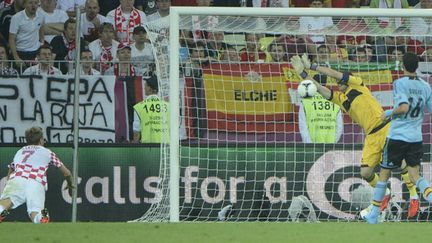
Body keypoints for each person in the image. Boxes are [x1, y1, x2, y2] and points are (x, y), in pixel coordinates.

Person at [290, 54, 420, 217]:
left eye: (342, 79)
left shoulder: (357, 84)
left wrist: (313, 66)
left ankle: (414, 196)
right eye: (338, 82)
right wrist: (302, 74)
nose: (339, 82)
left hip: (385, 127)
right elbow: (319, 88)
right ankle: (385, 193)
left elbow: (335, 74)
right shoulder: (341, 99)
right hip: (371, 137)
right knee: (365, 173)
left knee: (399, 162)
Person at [364, 52, 432, 224]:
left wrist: (388, 113)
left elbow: (403, 107)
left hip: (397, 137)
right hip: (415, 138)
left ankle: (373, 214)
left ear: (402, 66)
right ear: (417, 66)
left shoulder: (399, 83)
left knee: (384, 174)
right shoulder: (426, 86)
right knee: (416, 176)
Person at [0, 126, 74, 223]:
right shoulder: (47, 152)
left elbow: (11, 168)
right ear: (40, 140)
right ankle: (43, 216)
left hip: (17, 179)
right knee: (34, 212)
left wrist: (9, 179)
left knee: (6, 203)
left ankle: (2, 212)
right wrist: (69, 183)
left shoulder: (20, 151)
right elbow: (66, 173)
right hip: (36, 181)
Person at [298, 74, 343, 143]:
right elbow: (339, 126)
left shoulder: (306, 101)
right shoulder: (334, 100)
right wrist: (333, 142)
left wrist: (309, 144)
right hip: (330, 145)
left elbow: (303, 126)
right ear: (325, 83)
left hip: (312, 145)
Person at [132, 75, 170, 143]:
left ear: (150, 88)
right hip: (165, 148)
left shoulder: (139, 107)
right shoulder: (168, 106)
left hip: (147, 148)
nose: (144, 87)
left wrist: (134, 147)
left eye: (146, 85)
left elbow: (136, 133)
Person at [9, 0, 45, 69]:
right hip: (20, 52)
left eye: (36, 3)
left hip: (35, 52)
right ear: (24, 4)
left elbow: (41, 30)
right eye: (30, 2)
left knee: (35, 77)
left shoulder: (41, 16)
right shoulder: (16, 18)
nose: (33, 5)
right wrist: (16, 58)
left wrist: (42, 43)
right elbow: (11, 39)